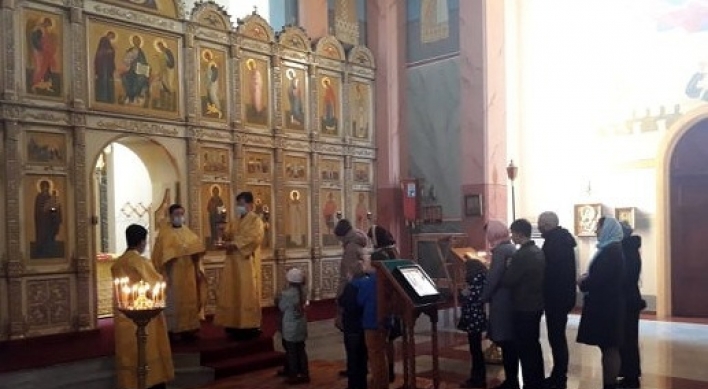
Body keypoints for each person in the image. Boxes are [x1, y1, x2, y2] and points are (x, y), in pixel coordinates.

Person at [111, 224, 173, 389]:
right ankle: (150, 381)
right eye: (145, 241)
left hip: (124, 313)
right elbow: (155, 284)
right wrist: (164, 279)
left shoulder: (118, 263)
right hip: (144, 313)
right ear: (141, 242)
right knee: (147, 347)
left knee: (128, 350)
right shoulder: (140, 261)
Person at [577, 217, 626, 389]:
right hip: (607, 304)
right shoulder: (610, 249)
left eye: (598, 228)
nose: (596, 232)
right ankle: (609, 382)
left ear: (607, 230)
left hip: (606, 307)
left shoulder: (610, 252)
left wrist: (583, 282)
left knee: (609, 346)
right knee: (608, 346)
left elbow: (599, 279)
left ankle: (610, 384)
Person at [151, 204, 207, 342]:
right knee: (174, 301)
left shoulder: (188, 232)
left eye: (181, 214)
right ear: (170, 216)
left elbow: (197, 249)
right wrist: (171, 256)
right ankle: (173, 329)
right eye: (176, 214)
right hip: (172, 274)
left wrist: (196, 260)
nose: (179, 217)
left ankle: (189, 328)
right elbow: (157, 256)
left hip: (188, 273)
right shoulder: (164, 234)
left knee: (190, 299)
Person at [214, 192, 265, 341]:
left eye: (241, 204)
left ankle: (249, 325)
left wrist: (233, 244)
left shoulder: (256, 220)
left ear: (250, 205)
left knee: (246, 292)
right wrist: (221, 232)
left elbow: (254, 238)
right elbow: (228, 235)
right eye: (238, 204)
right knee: (232, 291)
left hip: (246, 262)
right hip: (232, 262)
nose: (239, 207)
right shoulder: (236, 221)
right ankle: (232, 323)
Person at [501, 219, 545, 389]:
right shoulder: (537, 251)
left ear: (519, 233)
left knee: (525, 348)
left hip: (523, 305)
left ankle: (530, 383)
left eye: (513, 233)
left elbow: (508, 280)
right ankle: (537, 381)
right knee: (534, 345)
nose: (511, 237)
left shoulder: (522, 254)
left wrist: (507, 266)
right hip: (536, 304)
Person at [537, 211, 577, 389]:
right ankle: (558, 374)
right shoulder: (562, 239)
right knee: (557, 336)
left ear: (546, 224)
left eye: (540, 224)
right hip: (563, 295)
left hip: (557, 297)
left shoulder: (555, 242)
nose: (538, 228)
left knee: (556, 337)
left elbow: (551, 272)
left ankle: (559, 376)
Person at [480, 220, 519, 389]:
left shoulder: (501, 251)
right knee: (511, 341)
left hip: (502, 301)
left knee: (506, 341)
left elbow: (494, 277)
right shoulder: (511, 248)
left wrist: (483, 297)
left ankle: (511, 381)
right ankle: (513, 379)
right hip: (512, 299)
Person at [334, 219, 369, 378]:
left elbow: (349, 276)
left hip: (351, 294)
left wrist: (340, 297)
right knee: (359, 336)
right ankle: (360, 367)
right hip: (361, 292)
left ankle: (354, 370)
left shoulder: (350, 248)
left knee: (351, 336)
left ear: (342, 235)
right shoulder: (358, 243)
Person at [367, 222, 401, 382]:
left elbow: (377, 279)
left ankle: (381, 376)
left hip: (383, 301)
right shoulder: (393, 250)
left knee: (380, 343)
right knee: (390, 339)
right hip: (394, 300)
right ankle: (391, 370)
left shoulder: (379, 255)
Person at [617, 221, 645, 389]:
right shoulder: (630, 248)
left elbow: (625, 276)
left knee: (628, 339)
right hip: (630, 298)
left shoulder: (626, 250)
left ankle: (631, 375)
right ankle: (629, 374)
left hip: (627, 300)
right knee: (627, 338)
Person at [355, 255, 389, 389]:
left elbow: (360, 301)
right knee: (381, 354)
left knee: (375, 356)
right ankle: (382, 382)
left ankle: (378, 384)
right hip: (385, 322)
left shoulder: (368, 282)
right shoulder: (388, 280)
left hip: (371, 322)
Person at [276, 267, 310, 385]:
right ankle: (304, 373)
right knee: (300, 349)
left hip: (290, 326)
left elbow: (281, 307)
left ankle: (293, 374)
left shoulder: (287, 294)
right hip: (301, 324)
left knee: (291, 351)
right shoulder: (303, 290)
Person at [458, 258, 488, 388]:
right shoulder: (481, 278)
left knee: (475, 349)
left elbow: (473, 298)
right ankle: (477, 376)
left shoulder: (476, 280)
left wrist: (463, 294)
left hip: (473, 317)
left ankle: (478, 378)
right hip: (476, 316)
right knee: (475, 349)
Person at [338, 260, 368, 389]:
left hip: (352, 326)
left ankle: (354, 385)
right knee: (362, 356)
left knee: (353, 357)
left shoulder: (351, 286)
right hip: (364, 325)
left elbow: (346, 304)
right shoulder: (367, 283)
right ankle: (362, 384)